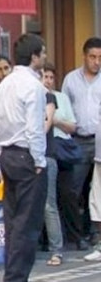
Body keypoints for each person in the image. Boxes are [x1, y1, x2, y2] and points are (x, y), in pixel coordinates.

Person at [0, 34, 50, 282]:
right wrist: (39, 162)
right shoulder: (34, 86)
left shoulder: (4, 85)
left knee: (14, 220)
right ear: (35, 56)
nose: (45, 57)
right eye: (43, 53)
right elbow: (34, 128)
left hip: (6, 154)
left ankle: (12, 278)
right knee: (27, 221)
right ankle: (17, 281)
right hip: (26, 156)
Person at [63, 38, 101, 255]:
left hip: (98, 141)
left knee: (96, 192)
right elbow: (63, 108)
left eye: (100, 58)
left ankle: (95, 234)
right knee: (72, 189)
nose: (96, 62)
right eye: (92, 57)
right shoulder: (71, 80)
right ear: (84, 56)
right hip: (77, 141)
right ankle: (77, 235)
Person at [42, 63, 76, 266]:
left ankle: (57, 250)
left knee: (48, 205)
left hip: (46, 154)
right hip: (25, 156)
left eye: (49, 77)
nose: (46, 81)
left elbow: (46, 125)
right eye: (43, 76)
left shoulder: (49, 97)